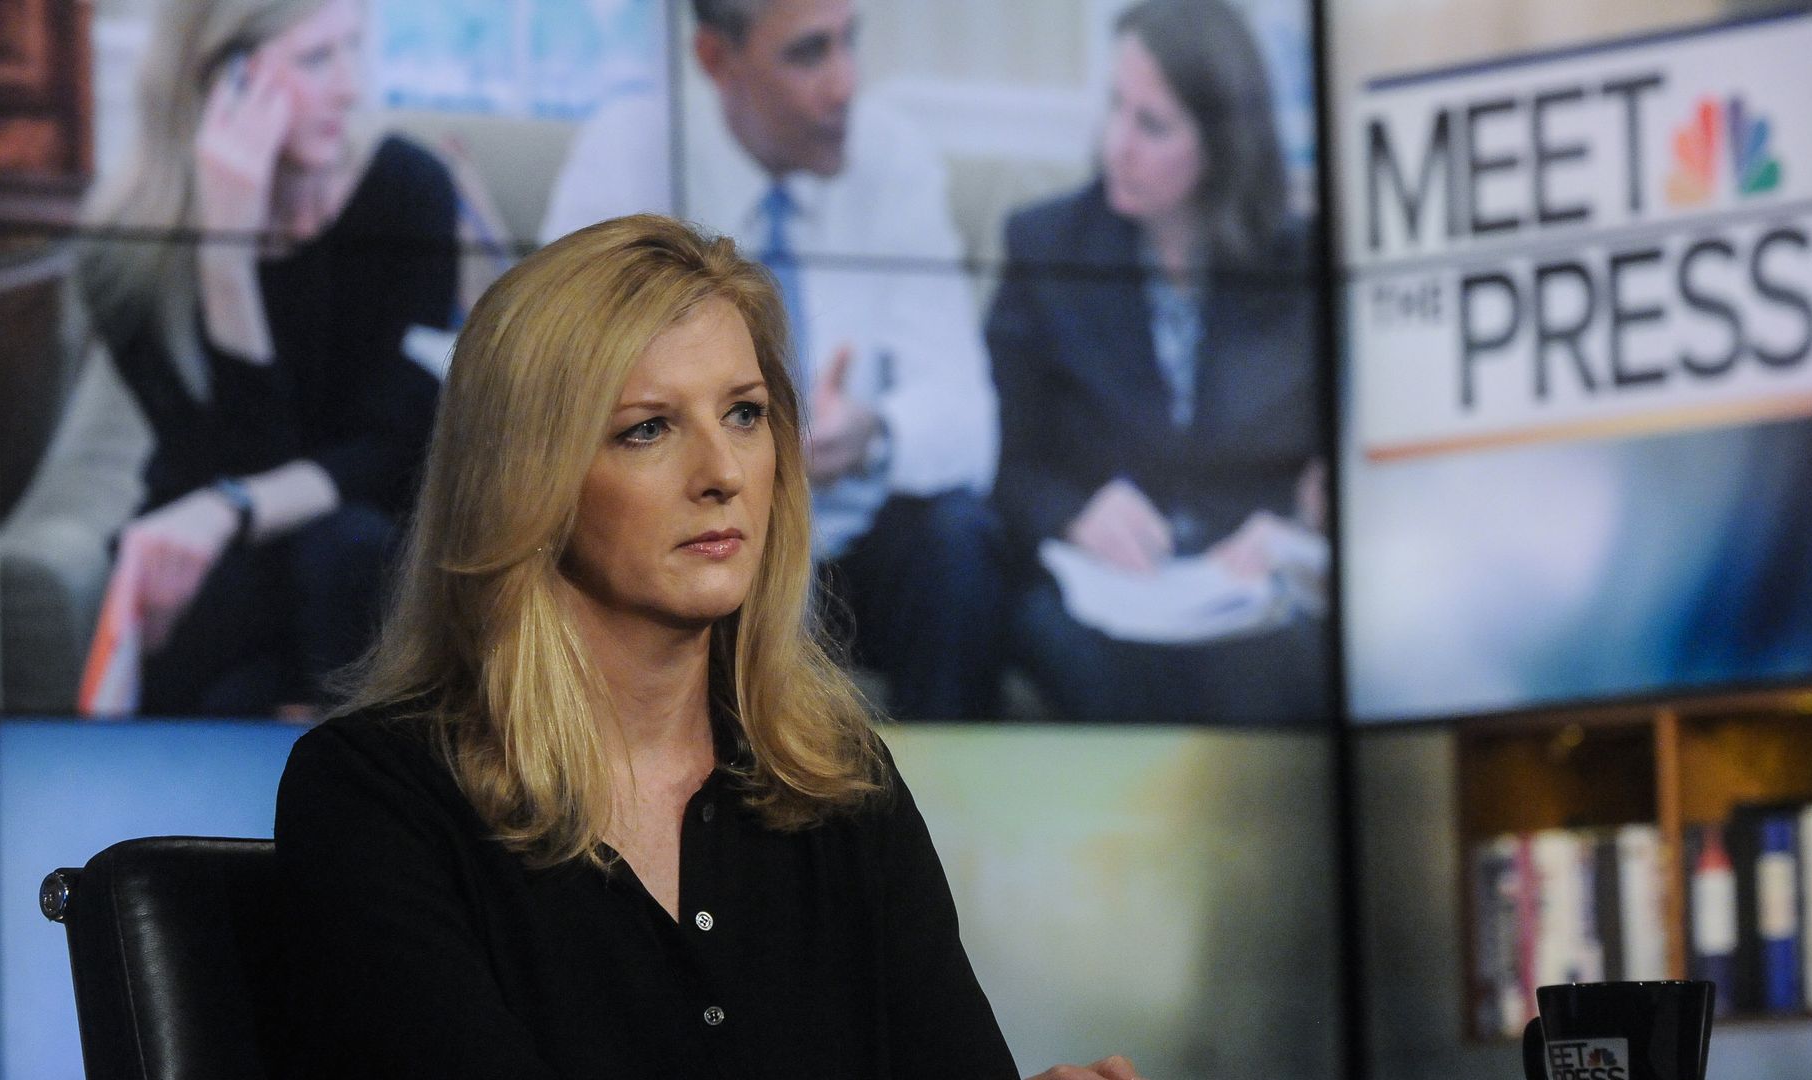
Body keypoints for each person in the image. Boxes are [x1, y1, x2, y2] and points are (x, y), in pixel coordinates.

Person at [274, 215, 1140, 1080]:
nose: (723, 472)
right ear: (526, 479)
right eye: (648, 428)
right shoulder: (373, 799)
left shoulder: (837, 786)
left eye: (745, 414)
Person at [541, 0, 1005, 720]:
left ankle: (943, 822)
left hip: (848, 549)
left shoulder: (894, 157)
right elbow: (555, 411)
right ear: (716, 62)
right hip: (689, 537)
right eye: (808, 53)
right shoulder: (629, 154)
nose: (845, 82)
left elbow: (970, 429)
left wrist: (871, 437)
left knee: (960, 540)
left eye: (850, 42)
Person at [75, 0, 459, 716]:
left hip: (362, 549)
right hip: (223, 561)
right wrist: (226, 256)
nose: (350, 87)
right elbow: (228, 456)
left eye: (353, 49)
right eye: (317, 59)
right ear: (221, 80)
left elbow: (393, 449)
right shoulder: (122, 256)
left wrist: (232, 507)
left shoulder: (409, 191)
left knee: (344, 552)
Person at [985, 0, 1330, 726]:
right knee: (1085, 653)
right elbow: (1001, 461)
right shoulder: (1046, 245)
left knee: (1284, 661)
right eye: (1116, 107)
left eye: (1153, 125)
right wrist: (1074, 513)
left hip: (1245, 589)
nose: (1118, 145)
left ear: (1223, 145)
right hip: (1098, 589)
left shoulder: (1298, 263)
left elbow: (1342, 460)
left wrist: (1299, 534)